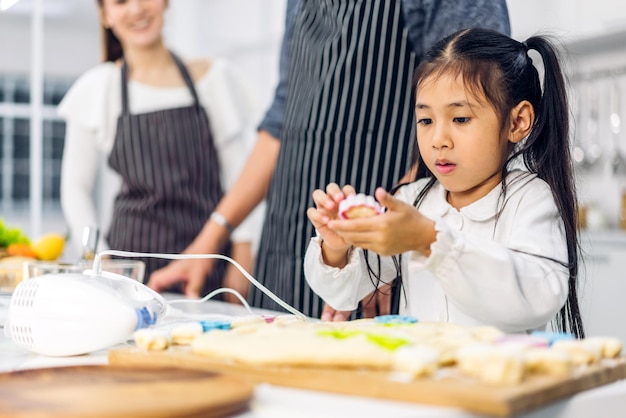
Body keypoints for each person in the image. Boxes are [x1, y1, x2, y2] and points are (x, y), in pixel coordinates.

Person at [148, 0, 511, 319]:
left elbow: (474, 103)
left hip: (379, 252)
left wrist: (380, 259)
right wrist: (206, 244)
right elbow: (282, 118)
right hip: (287, 241)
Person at [304, 27, 585, 337]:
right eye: (426, 120)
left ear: (518, 122)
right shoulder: (413, 200)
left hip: (496, 381)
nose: (438, 139)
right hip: (422, 380)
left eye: (460, 119)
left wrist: (431, 240)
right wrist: (337, 248)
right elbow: (346, 291)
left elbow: (539, 296)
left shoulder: (530, 199)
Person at [59, 0, 263, 302]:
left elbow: (241, 178)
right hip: (130, 275)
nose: (136, 9)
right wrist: (101, 261)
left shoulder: (212, 79)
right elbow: (75, 188)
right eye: (120, 2)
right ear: (105, 14)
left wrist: (243, 256)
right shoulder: (98, 88)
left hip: (210, 267)